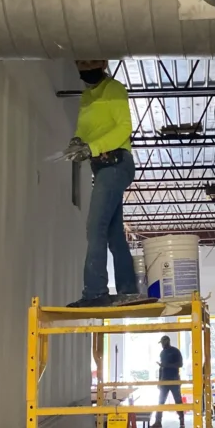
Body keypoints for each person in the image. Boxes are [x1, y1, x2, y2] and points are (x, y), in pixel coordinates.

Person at [67, 60, 143, 309]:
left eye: (90, 65)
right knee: (111, 232)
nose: (85, 71)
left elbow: (125, 128)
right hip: (102, 168)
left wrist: (92, 147)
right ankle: (128, 290)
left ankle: (95, 292)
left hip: (116, 163)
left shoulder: (115, 90)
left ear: (102, 65)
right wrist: (77, 141)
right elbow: (83, 128)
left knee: (95, 226)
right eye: (81, 67)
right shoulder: (86, 97)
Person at [151, 335, 185, 428]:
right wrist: (159, 381)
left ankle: (182, 422)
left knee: (178, 401)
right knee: (160, 401)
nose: (162, 345)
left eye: (163, 343)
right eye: (161, 343)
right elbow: (161, 368)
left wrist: (167, 365)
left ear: (167, 342)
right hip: (164, 380)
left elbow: (180, 364)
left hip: (174, 379)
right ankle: (158, 422)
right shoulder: (162, 353)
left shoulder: (175, 351)